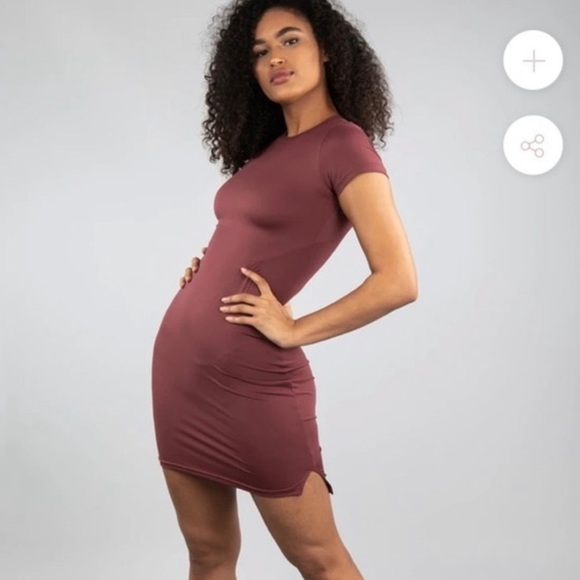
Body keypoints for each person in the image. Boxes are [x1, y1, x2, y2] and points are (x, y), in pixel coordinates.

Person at [151, 0, 418, 578]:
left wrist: (294, 328)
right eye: (260, 51)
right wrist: (210, 271)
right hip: (182, 373)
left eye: (290, 40)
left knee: (319, 558)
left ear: (328, 49)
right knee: (207, 553)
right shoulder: (268, 152)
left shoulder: (344, 145)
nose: (275, 58)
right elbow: (265, 247)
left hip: (254, 379)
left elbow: (398, 280)